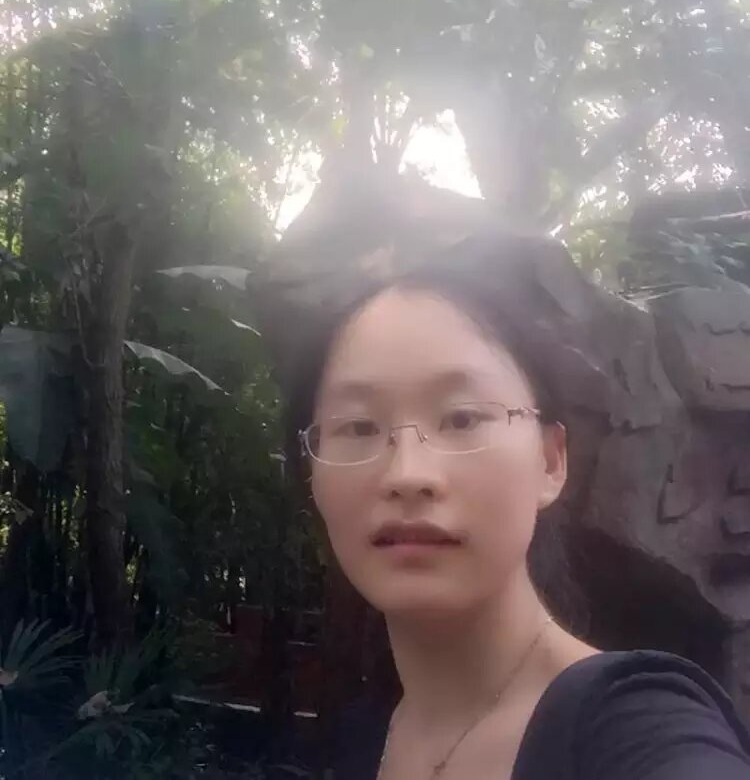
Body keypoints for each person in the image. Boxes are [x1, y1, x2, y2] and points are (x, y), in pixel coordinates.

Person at [287, 272, 750, 780]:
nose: (407, 475)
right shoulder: (368, 734)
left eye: (462, 419)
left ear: (550, 462)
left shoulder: (638, 727)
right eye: (358, 427)